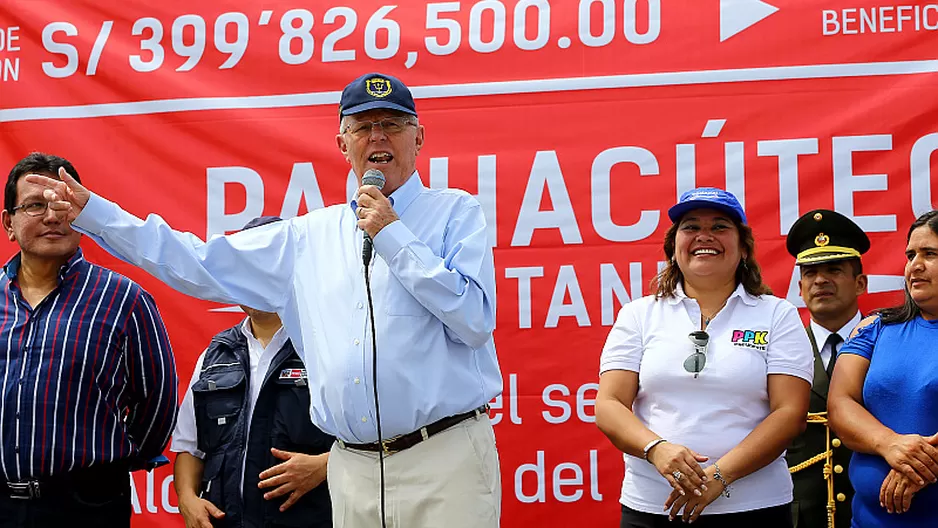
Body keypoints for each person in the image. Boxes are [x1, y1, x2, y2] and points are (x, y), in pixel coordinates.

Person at [27, 72, 502, 528]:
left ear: (418, 137)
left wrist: (393, 236)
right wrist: (98, 215)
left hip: (443, 459)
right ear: (342, 143)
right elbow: (194, 260)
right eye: (362, 126)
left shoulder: (455, 214)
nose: (378, 138)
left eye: (393, 125)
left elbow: (474, 320)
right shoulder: (306, 237)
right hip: (353, 470)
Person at [596, 187, 814, 527]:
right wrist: (656, 448)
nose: (704, 236)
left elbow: (790, 413)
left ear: (744, 248)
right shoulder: (638, 315)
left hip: (754, 509)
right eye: (691, 226)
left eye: (720, 227)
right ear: (673, 248)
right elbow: (609, 404)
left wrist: (719, 477)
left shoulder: (777, 315)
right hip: (653, 509)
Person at [0, 152, 177, 527]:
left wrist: (100, 474)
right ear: (9, 224)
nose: (51, 217)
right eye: (34, 206)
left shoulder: (123, 299)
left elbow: (157, 404)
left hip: (85, 507)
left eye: (62, 204)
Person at [172, 216, 333, 528]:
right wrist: (187, 499)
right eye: (243, 265)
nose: (253, 275)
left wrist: (326, 466)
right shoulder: (216, 354)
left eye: (265, 263)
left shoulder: (329, 347)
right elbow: (189, 448)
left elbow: (373, 440)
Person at [828, 209, 938, 527]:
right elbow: (840, 404)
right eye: (911, 255)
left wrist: (922, 463)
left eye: (930, 254)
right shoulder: (875, 328)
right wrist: (890, 444)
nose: (915, 266)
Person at [785, 209, 870, 528]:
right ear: (800, 287)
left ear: (860, 282)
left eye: (833, 269)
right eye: (810, 272)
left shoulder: (887, 344)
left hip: (876, 509)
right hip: (799, 516)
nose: (820, 280)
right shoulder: (780, 351)